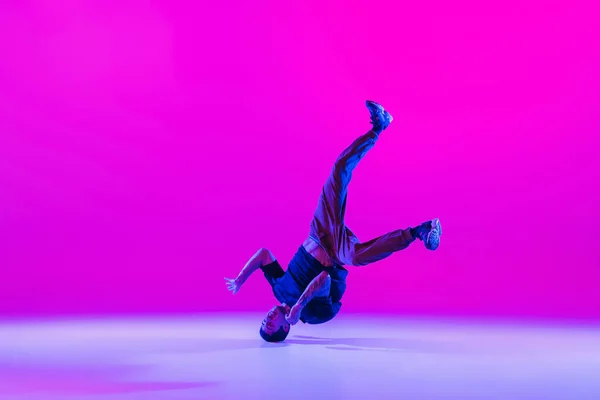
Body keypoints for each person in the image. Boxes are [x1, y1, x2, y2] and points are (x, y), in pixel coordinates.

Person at [224, 101, 442, 342]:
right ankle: (420, 231)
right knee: (358, 257)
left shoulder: (277, 289)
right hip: (337, 253)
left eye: (264, 322)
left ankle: (378, 128)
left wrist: (240, 279)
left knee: (338, 171)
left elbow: (264, 254)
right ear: (285, 329)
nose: (267, 320)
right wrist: (299, 306)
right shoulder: (315, 316)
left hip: (318, 233)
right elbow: (325, 279)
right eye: (271, 327)